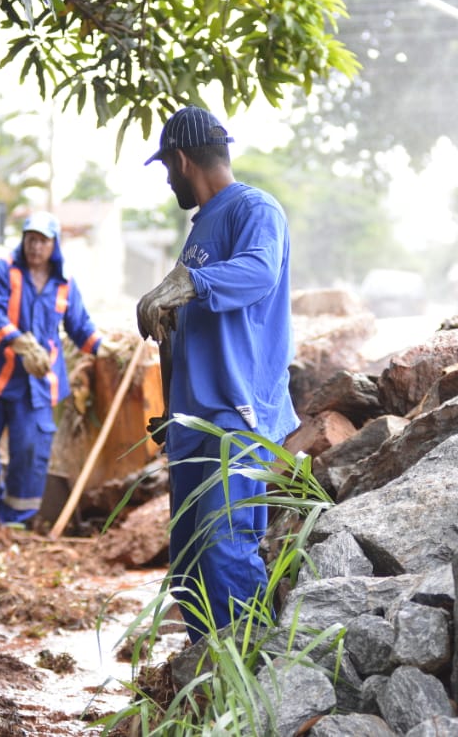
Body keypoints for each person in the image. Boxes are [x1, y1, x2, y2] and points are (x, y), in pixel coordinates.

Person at [136, 105, 299, 642]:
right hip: (194, 421)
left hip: (236, 415)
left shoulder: (254, 208)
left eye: (166, 168)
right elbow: (187, 330)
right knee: (189, 564)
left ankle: (252, 679)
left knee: (225, 546)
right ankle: (208, 681)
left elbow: (257, 272)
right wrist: (169, 407)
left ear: (181, 160)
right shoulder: (201, 227)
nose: (167, 179)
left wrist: (188, 283)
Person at [0, 210, 117, 527]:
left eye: (43, 241)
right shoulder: (1, 270)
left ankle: (13, 523)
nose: (35, 247)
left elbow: (79, 325)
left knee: (30, 454)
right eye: (30, 239)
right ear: (23, 240)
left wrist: (105, 349)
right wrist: (20, 342)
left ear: (54, 245)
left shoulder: (64, 284)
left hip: (38, 385)